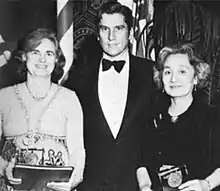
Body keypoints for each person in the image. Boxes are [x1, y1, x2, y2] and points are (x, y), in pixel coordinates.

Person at [64, 1, 155, 191]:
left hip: (135, 184)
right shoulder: (79, 74)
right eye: (105, 29)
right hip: (90, 184)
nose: (111, 37)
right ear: (98, 34)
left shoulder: (150, 72)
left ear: (130, 34)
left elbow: (157, 130)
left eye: (119, 28)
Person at [0, 28, 85, 191]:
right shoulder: (3, 97)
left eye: (49, 53)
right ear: (24, 57)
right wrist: (4, 168)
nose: (42, 60)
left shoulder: (69, 98)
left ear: (56, 59)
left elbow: (77, 152)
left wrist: (71, 182)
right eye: (35, 52)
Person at [137, 43, 220, 191]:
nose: (173, 79)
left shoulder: (213, 117)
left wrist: (206, 184)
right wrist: (145, 186)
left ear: (195, 78)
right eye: (168, 72)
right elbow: (141, 163)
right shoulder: (152, 118)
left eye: (182, 71)